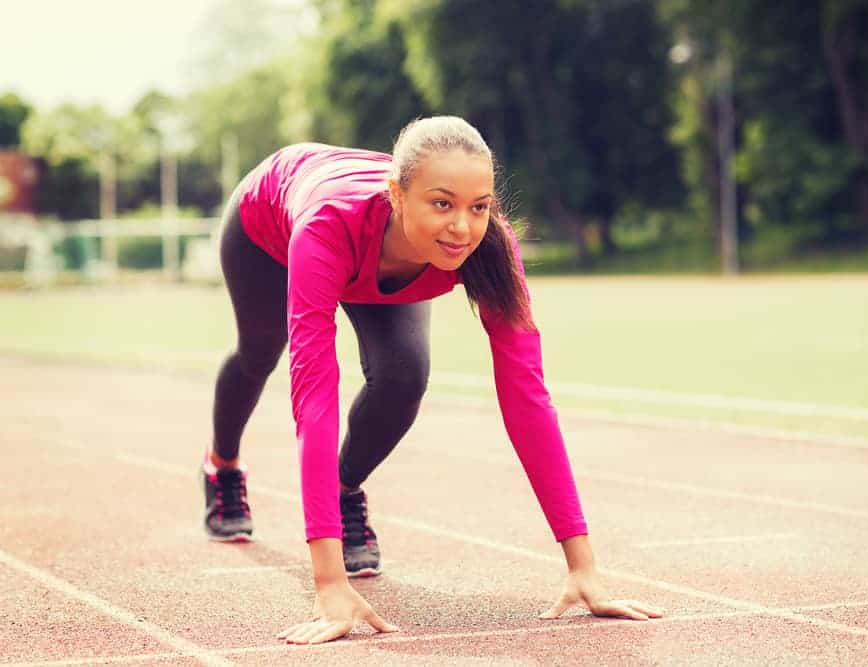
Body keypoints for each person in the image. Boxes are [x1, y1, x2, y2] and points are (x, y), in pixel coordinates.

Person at [203, 116, 663, 644]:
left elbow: (527, 396)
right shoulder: (327, 224)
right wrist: (328, 582)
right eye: (442, 203)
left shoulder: (487, 245)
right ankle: (222, 467)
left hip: (389, 253)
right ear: (397, 195)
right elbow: (314, 393)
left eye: (479, 206)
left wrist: (583, 567)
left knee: (404, 376)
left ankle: (344, 485)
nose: (463, 228)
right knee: (260, 353)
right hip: (270, 227)